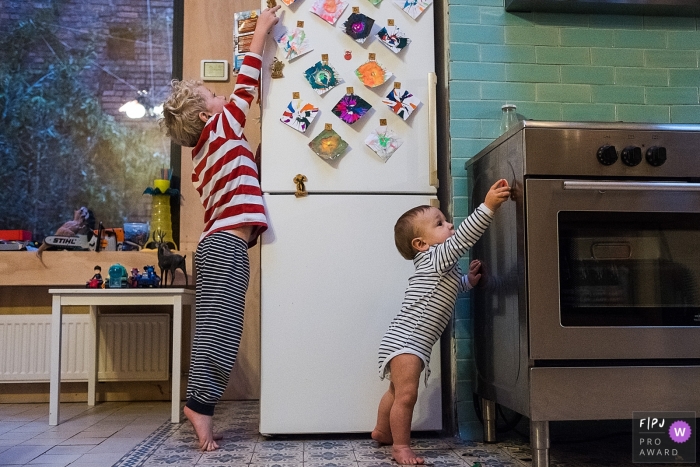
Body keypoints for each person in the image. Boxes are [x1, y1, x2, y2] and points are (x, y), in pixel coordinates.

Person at [158, 5, 280, 452]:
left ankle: (201, 405)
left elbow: (239, 184)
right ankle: (200, 406)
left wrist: (268, 158)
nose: (223, 97)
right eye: (214, 95)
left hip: (219, 248)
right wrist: (262, 30)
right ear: (210, 117)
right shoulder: (225, 128)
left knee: (216, 329)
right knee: (220, 331)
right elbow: (247, 80)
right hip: (225, 250)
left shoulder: (207, 153)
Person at [372, 179, 511, 465]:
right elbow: (463, 240)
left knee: (397, 391)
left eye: (446, 221)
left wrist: (468, 281)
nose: (449, 225)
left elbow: (447, 288)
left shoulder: (439, 265)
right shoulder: (436, 256)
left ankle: (383, 430)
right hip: (408, 341)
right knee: (406, 394)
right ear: (421, 244)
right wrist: (488, 206)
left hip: (404, 339)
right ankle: (400, 446)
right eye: (440, 224)